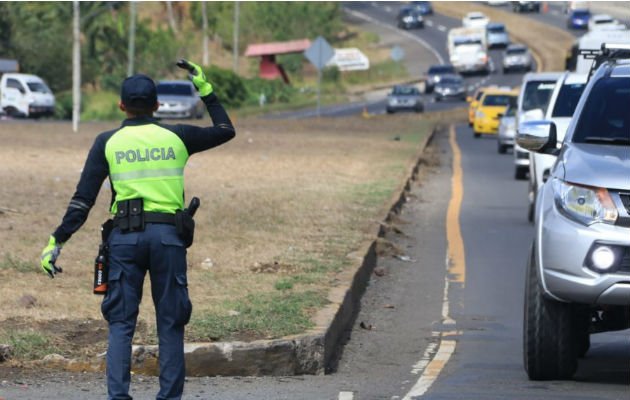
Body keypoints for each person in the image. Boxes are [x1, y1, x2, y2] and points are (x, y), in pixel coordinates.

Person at [40, 60, 235, 400]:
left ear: (121, 106)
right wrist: (205, 90)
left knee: (120, 325)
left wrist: (56, 241)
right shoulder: (177, 135)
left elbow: (82, 201)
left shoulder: (107, 142)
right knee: (171, 324)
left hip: (124, 241)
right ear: (157, 106)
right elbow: (224, 129)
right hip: (168, 239)